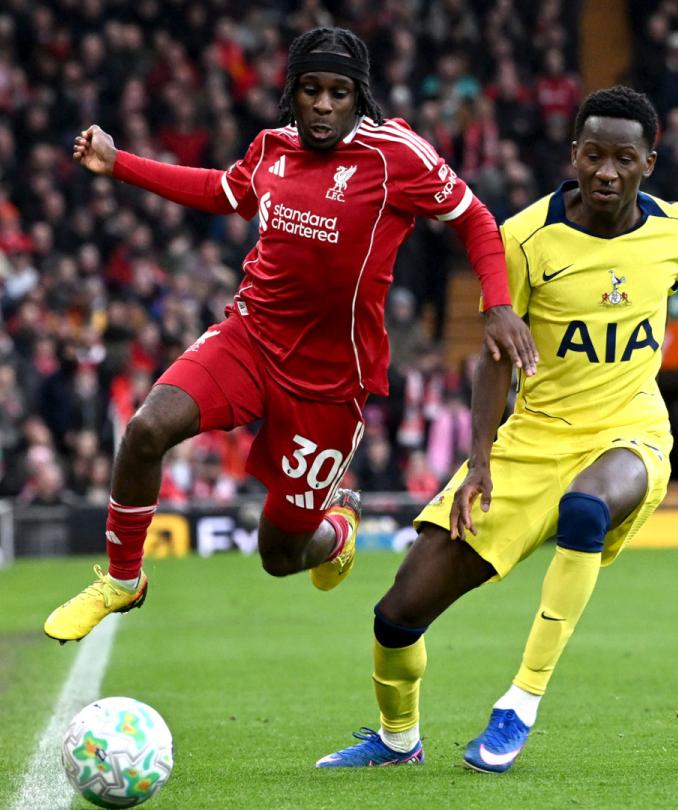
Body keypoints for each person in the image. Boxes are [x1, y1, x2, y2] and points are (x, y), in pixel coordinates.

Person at [43, 27, 538, 643]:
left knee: (279, 554)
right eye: (310, 90)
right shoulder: (271, 148)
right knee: (145, 429)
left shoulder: (395, 156)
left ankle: (338, 531)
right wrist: (118, 164)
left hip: (329, 384)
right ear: (292, 95)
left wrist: (496, 305)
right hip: (249, 339)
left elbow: (475, 218)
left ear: (358, 97)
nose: (323, 104)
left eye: (337, 92)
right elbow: (221, 191)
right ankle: (122, 581)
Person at [316, 86, 678, 770]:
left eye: (623, 158)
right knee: (397, 614)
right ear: (573, 155)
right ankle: (398, 738)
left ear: (649, 161)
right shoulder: (522, 240)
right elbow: (493, 357)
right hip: (530, 443)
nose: (605, 171)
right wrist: (480, 464)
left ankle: (519, 703)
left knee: (586, 510)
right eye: (592, 155)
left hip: (628, 431)